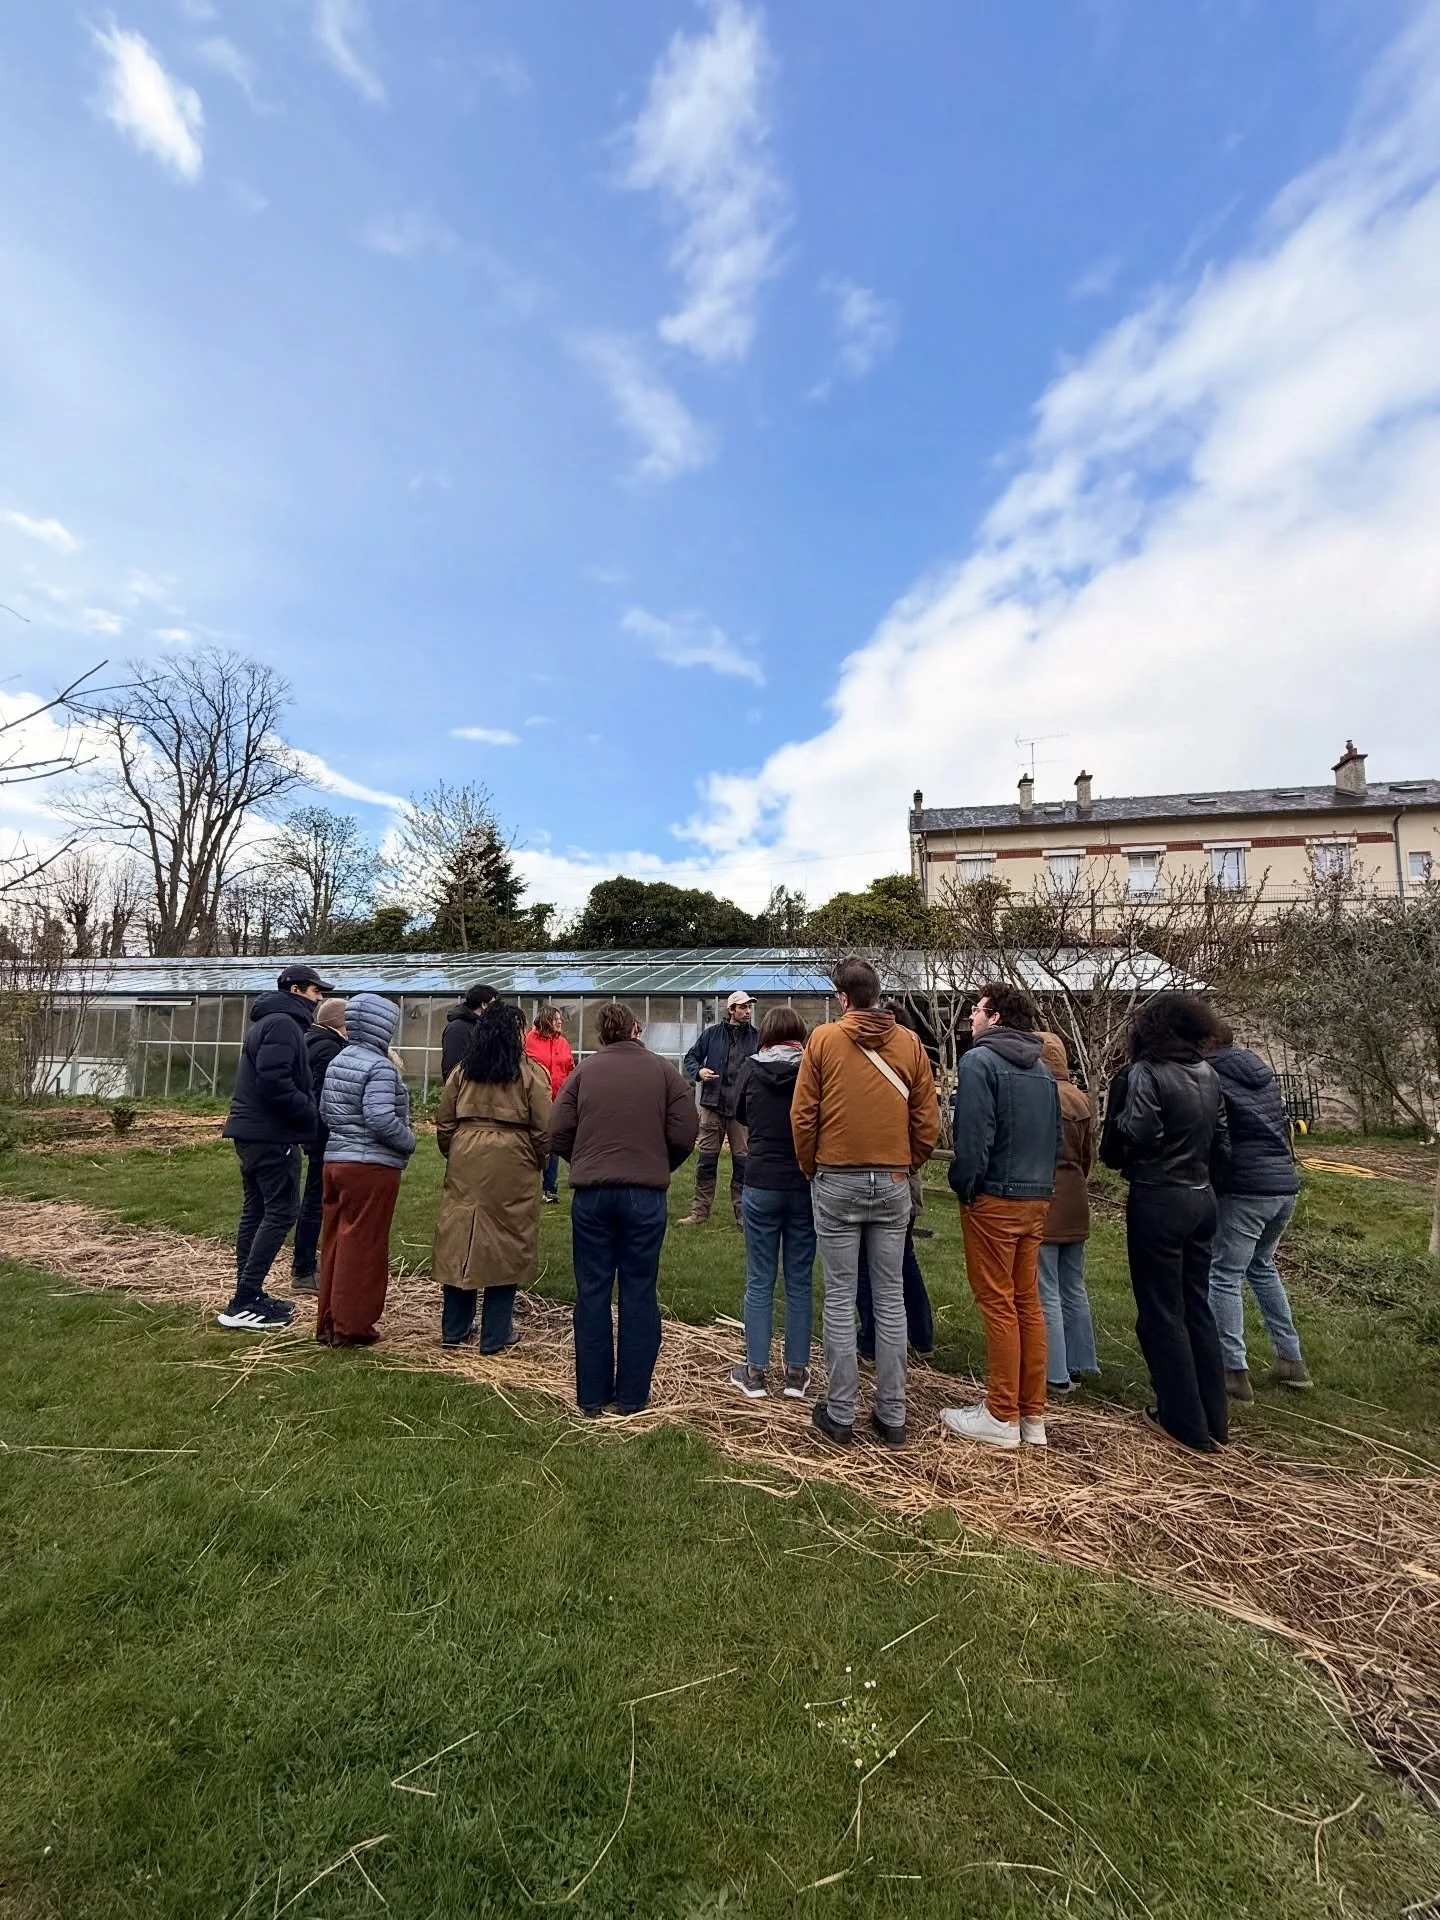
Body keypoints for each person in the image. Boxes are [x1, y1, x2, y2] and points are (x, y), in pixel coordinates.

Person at [791, 958, 939, 1449]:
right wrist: (906, 1163)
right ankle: (892, 1415)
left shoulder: (824, 1040)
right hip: (893, 1180)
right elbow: (927, 1119)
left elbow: (804, 1115)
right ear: (878, 994)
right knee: (890, 1296)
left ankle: (840, 1412)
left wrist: (813, 1166)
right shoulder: (911, 1045)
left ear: (843, 998)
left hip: (836, 1177)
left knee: (839, 1296)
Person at [547, 1002, 698, 1415]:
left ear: (601, 1034)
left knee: (592, 1292)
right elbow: (687, 1130)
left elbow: (556, 1130)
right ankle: (632, 1397)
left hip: (592, 1195)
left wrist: (583, 1161)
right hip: (644, 1195)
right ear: (636, 1028)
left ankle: (591, 1396)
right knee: (638, 1290)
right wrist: (659, 1162)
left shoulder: (583, 1072)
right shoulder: (664, 1071)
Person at [1100, 992, 1231, 1453]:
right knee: (1196, 1306)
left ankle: (1181, 1420)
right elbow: (1223, 1144)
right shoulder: (1208, 1074)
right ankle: (1213, 1418)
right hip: (1201, 1196)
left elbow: (1137, 1132)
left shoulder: (1146, 1073)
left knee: (1161, 1311)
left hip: (1159, 1196)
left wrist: (1117, 1149)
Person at [939, 985, 1061, 1451]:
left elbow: (973, 1136)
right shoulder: (1043, 1068)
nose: (970, 1016)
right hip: (1036, 1197)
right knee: (1027, 1302)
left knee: (997, 1303)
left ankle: (1000, 1413)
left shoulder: (979, 1062)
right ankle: (1033, 1415)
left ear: (994, 1017)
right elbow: (1056, 1138)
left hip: (994, 1198)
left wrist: (965, 1187)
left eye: (976, 1009)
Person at [217, 963, 330, 1331]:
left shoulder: (270, 1022)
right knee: (282, 1211)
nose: (320, 999)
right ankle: (246, 1298)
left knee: (257, 1211)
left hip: (252, 1132)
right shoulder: (282, 1024)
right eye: (316, 991)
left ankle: (246, 1294)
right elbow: (275, 1080)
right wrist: (309, 1112)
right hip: (270, 1134)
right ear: (296, 990)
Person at [433, 1001, 551, 1351]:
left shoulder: (462, 1072)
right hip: (513, 1155)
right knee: (509, 1237)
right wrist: (536, 1160)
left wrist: (455, 1150)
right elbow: (545, 1128)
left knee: (460, 1236)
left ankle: (454, 1328)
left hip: (466, 1152)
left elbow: (445, 1120)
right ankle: (496, 1333)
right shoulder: (530, 1072)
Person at [1205, 1024, 1311, 1398]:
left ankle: (1232, 1368)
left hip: (1246, 1187)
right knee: (1262, 1267)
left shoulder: (1211, 1074)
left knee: (1224, 1273)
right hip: (1283, 1183)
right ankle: (1291, 1359)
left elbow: (1217, 1131)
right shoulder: (1260, 1071)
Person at [317, 992, 416, 1346]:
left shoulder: (339, 1060)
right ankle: (353, 1326)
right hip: (370, 1166)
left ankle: (329, 1320)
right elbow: (380, 1119)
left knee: (335, 1242)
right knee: (364, 1246)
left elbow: (327, 1113)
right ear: (381, 1026)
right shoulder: (379, 1067)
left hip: (336, 1160)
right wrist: (408, 1140)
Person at [728, 1006, 816, 1400]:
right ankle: (797, 1373)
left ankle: (755, 1371)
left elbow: (739, 1112)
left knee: (759, 1279)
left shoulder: (750, 1067)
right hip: (802, 1181)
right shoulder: (812, 1069)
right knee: (799, 1280)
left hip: (761, 1180)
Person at [855, 1008, 935, 1362]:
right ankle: (921, 1335)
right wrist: (911, 1163)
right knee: (903, 1261)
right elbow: (925, 1123)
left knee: (869, 1268)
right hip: (903, 1175)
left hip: (884, 1175)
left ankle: (873, 1338)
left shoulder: (881, 1065)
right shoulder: (915, 1061)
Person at [1035, 1030, 1099, 1398]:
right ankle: (1080, 1360)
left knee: (1046, 1290)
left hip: (1048, 1199)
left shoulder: (1043, 1097)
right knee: (1074, 1285)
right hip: (1076, 1199)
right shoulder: (1080, 1098)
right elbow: (1087, 1156)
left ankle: (1056, 1372)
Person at [678, 990, 758, 1226]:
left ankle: (743, 1215)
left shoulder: (757, 1038)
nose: (748, 1011)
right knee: (706, 1162)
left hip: (741, 1112)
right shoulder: (712, 1035)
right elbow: (690, 1058)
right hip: (712, 1106)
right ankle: (699, 1212)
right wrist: (699, 1072)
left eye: (749, 1007)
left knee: (742, 1164)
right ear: (731, 1010)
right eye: (743, 1007)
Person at [290, 997, 348, 1295]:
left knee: (317, 1200)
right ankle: (303, 1269)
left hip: (313, 1134)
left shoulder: (310, 1041)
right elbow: (324, 1095)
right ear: (340, 1022)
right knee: (315, 1202)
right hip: (323, 1136)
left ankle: (311, 1264)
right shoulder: (327, 1047)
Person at [524, 1006, 576, 1204]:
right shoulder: (529, 1040)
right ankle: (529, 1184)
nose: (560, 1022)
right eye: (556, 1019)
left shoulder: (563, 1043)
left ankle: (549, 1188)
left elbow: (570, 1068)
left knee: (552, 1143)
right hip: (533, 1100)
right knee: (533, 1141)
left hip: (557, 1100)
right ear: (545, 1020)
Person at [440, 982, 499, 1083]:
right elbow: (452, 1066)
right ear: (484, 1004)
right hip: (465, 1091)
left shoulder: (483, 1026)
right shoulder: (457, 1029)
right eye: (494, 1004)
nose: (497, 1009)